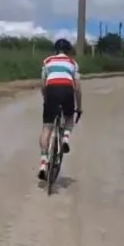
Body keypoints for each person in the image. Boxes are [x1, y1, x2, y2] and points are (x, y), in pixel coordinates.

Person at [38, 37, 83, 181]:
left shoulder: (47, 61)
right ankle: (65, 138)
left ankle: (43, 163)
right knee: (69, 118)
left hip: (51, 91)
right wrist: (79, 107)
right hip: (67, 90)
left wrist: (46, 99)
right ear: (69, 51)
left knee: (47, 127)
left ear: (55, 50)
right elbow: (77, 87)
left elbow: (43, 85)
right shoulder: (72, 63)